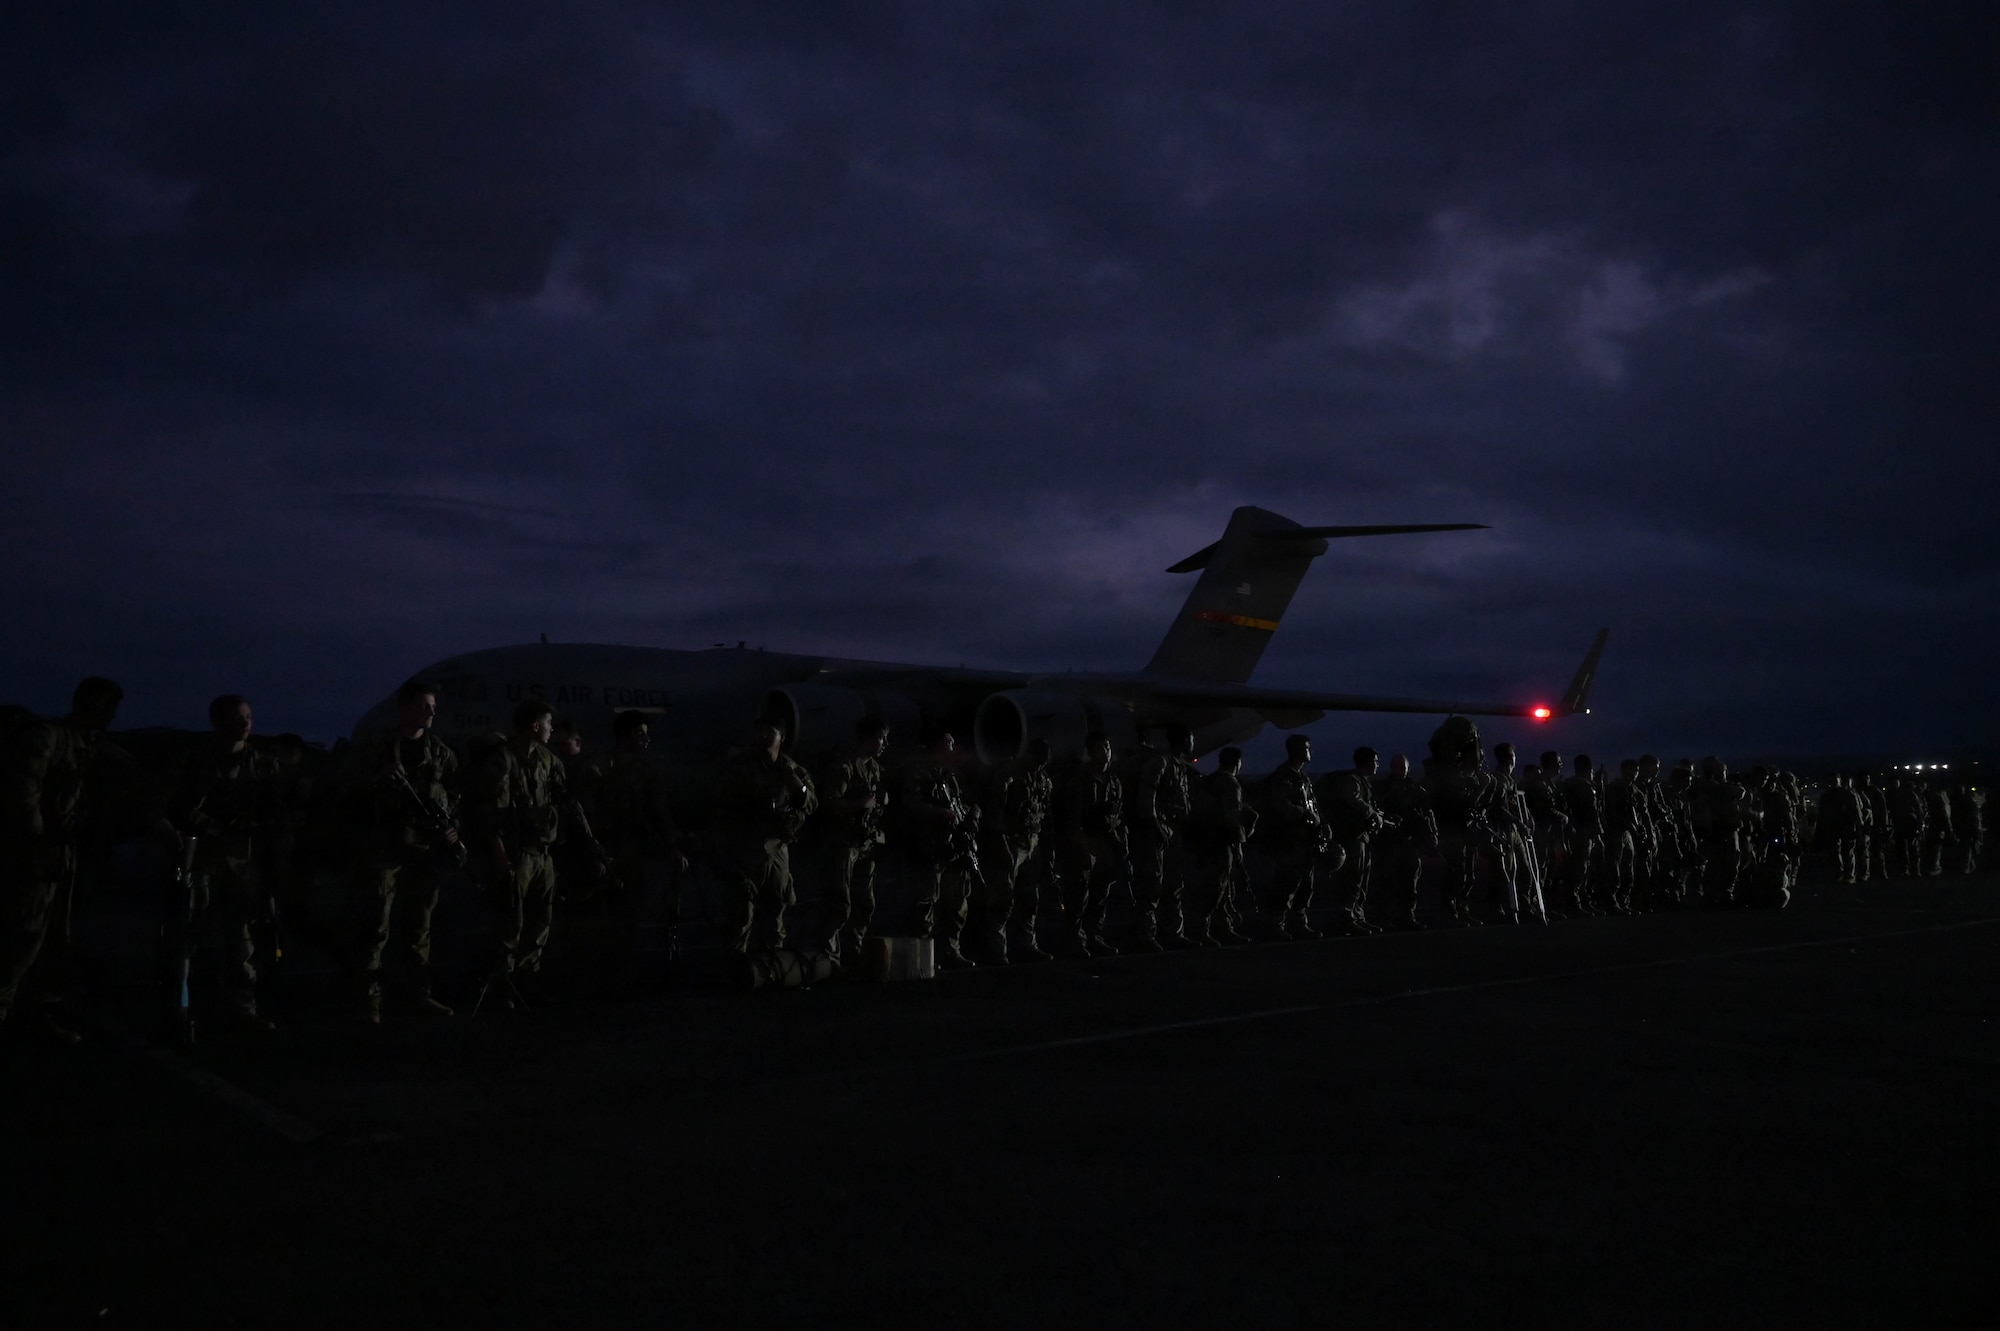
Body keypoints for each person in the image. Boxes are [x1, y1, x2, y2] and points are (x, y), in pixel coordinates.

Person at [0, 677, 125, 1042]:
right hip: (35, 853)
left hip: (62, 851)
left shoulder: (88, 744)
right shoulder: (47, 737)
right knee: (24, 935)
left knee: (54, 937)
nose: (112, 716)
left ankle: (34, 1011)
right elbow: (23, 795)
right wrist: (40, 841)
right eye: (107, 707)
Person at [165, 695, 287, 1033]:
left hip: (244, 859)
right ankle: (185, 1007)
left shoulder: (262, 764)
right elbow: (176, 805)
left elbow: (277, 812)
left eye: (248, 716)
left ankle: (242, 1007)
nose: (245, 723)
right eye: (237, 718)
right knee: (192, 932)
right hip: (201, 857)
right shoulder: (197, 762)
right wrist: (210, 824)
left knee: (242, 936)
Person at [343, 679, 463, 1024]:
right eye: (425, 705)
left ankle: (418, 995)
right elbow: (346, 790)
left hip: (424, 851)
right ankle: (368, 1001)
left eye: (434, 707)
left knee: (419, 926)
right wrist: (378, 780)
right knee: (375, 927)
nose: (431, 712)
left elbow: (455, 795)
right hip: (383, 847)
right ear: (405, 708)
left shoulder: (440, 752)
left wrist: (453, 826)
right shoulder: (375, 748)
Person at [477, 698, 603, 1004]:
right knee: (511, 922)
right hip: (516, 853)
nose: (551, 729)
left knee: (541, 920)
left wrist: (592, 844)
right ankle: (503, 982)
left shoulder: (549, 761)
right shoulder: (503, 761)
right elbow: (492, 814)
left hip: (543, 854)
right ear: (535, 725)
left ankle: (527, 976)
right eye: (547, 723)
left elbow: (567, 803)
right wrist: (501, 857)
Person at [573, 710, 688, 984]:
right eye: (640, 733)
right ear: (625, 735)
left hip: (633, 850)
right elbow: (583, 812)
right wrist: (593, 851)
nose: (646, 740)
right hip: (605, 850)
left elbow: (659, 812)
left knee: (630, 912)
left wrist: (673, 846)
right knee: (599, 916)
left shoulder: (645, 770)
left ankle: (623, 970)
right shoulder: (600, 767)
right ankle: (595, 973)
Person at [713, 719, 816, 954]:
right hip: (747, 846)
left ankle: (772, 962)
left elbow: (810, 802)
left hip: (778, 846)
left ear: (782, 737)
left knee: (776, 906)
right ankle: (737, 963)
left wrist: (795, 785)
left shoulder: (791, 768)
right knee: (743, 909)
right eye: (760, 730)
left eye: (770, 731)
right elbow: (724, 803)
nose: (763, 736)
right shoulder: (742, 766)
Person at [815, 717, 891, 963]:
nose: (884, 743)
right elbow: (829, 803)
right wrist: (860, 804)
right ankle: (829, 959)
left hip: (866, 843)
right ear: (867, 738)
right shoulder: (845, 766)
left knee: (865, 903)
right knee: (840, 904)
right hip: (844, 843)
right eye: (880, 737)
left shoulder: (874, 768)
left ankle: (854, 953)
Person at [978, 737, 1054, 963]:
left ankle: (1026, 944)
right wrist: (1001, 842)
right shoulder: (1009, 774)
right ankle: (996, 950)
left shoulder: (1042, 779)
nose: (1039, 766)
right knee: (1003, 898)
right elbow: (995, 809)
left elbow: (1046, 814)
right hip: (1011, 841)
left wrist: (1046, 847)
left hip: (1032, 840)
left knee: (1030, 897)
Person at [1124, 726, 1196, 951]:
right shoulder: (1161, 763)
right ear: (1184, 739)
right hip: (1158, 831)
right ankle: (1145, 934)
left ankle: (1172, 932)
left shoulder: (1179, 766)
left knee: (1174, 884)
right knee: (1152, 885)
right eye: (1191, 737)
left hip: (1174, 829)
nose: (1193, 742)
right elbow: (1147, 797)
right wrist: (1156, 827)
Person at [1054, 732, 1125, 957]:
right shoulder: (1080, 781)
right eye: (1100, 748)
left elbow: (1119, 814)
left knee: (1100, 895)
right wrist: (1081, 846)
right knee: (1079, 896)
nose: (1105, 752)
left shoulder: (1114, 782)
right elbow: (1073, 818)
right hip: (1085, 842)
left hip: (1105, 843)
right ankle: (1075, 940)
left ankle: (1094, 936)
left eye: (1107, 747)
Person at [1185, 746, 1256, 946]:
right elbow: (1232, 817)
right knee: (1217, 887)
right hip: (1220, 841)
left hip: (1205, 840)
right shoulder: (1230, 784)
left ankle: (1220, 927)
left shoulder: (1210, 780)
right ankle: (1204, 929)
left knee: (1217, 887)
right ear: (1237, 762)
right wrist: (1239, 842)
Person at [1262, 734, 1326, 940]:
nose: (1311, 751)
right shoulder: (1284, 777)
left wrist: (1320, 824)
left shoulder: (1302, 777)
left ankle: (1298, 923)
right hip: (1290, 839)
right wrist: (1304, 814)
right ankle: (1275, 924)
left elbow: (1312, 804)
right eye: (1307, 747)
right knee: (1287, 883)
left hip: (1305, 839)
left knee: (1305, 885)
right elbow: (1280, 805)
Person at [1319, 746, 1384, 936]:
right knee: (1353, 880)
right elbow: (1351, 799)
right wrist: (1371, 814)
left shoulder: (1362, 782)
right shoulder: (1352, 781)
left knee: (1361, 880)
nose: (1377, 765)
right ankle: (1347, 919)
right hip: (1352, 838)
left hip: (1361, 837)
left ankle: (1357, 917)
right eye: (1375, 761)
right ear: (1366, 762)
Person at [1375, 755, 1437, 930]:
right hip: (1390, 842)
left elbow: (1426, 814)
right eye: (1397, 766)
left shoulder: (1415, 789)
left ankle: (1406, 915)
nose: (1399, 770)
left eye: (1402, 767)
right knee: (1388, 882)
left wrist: (1430, 833)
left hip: (1409, 842)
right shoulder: (1383, 788)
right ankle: (1385, 917)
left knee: (1410, 882)